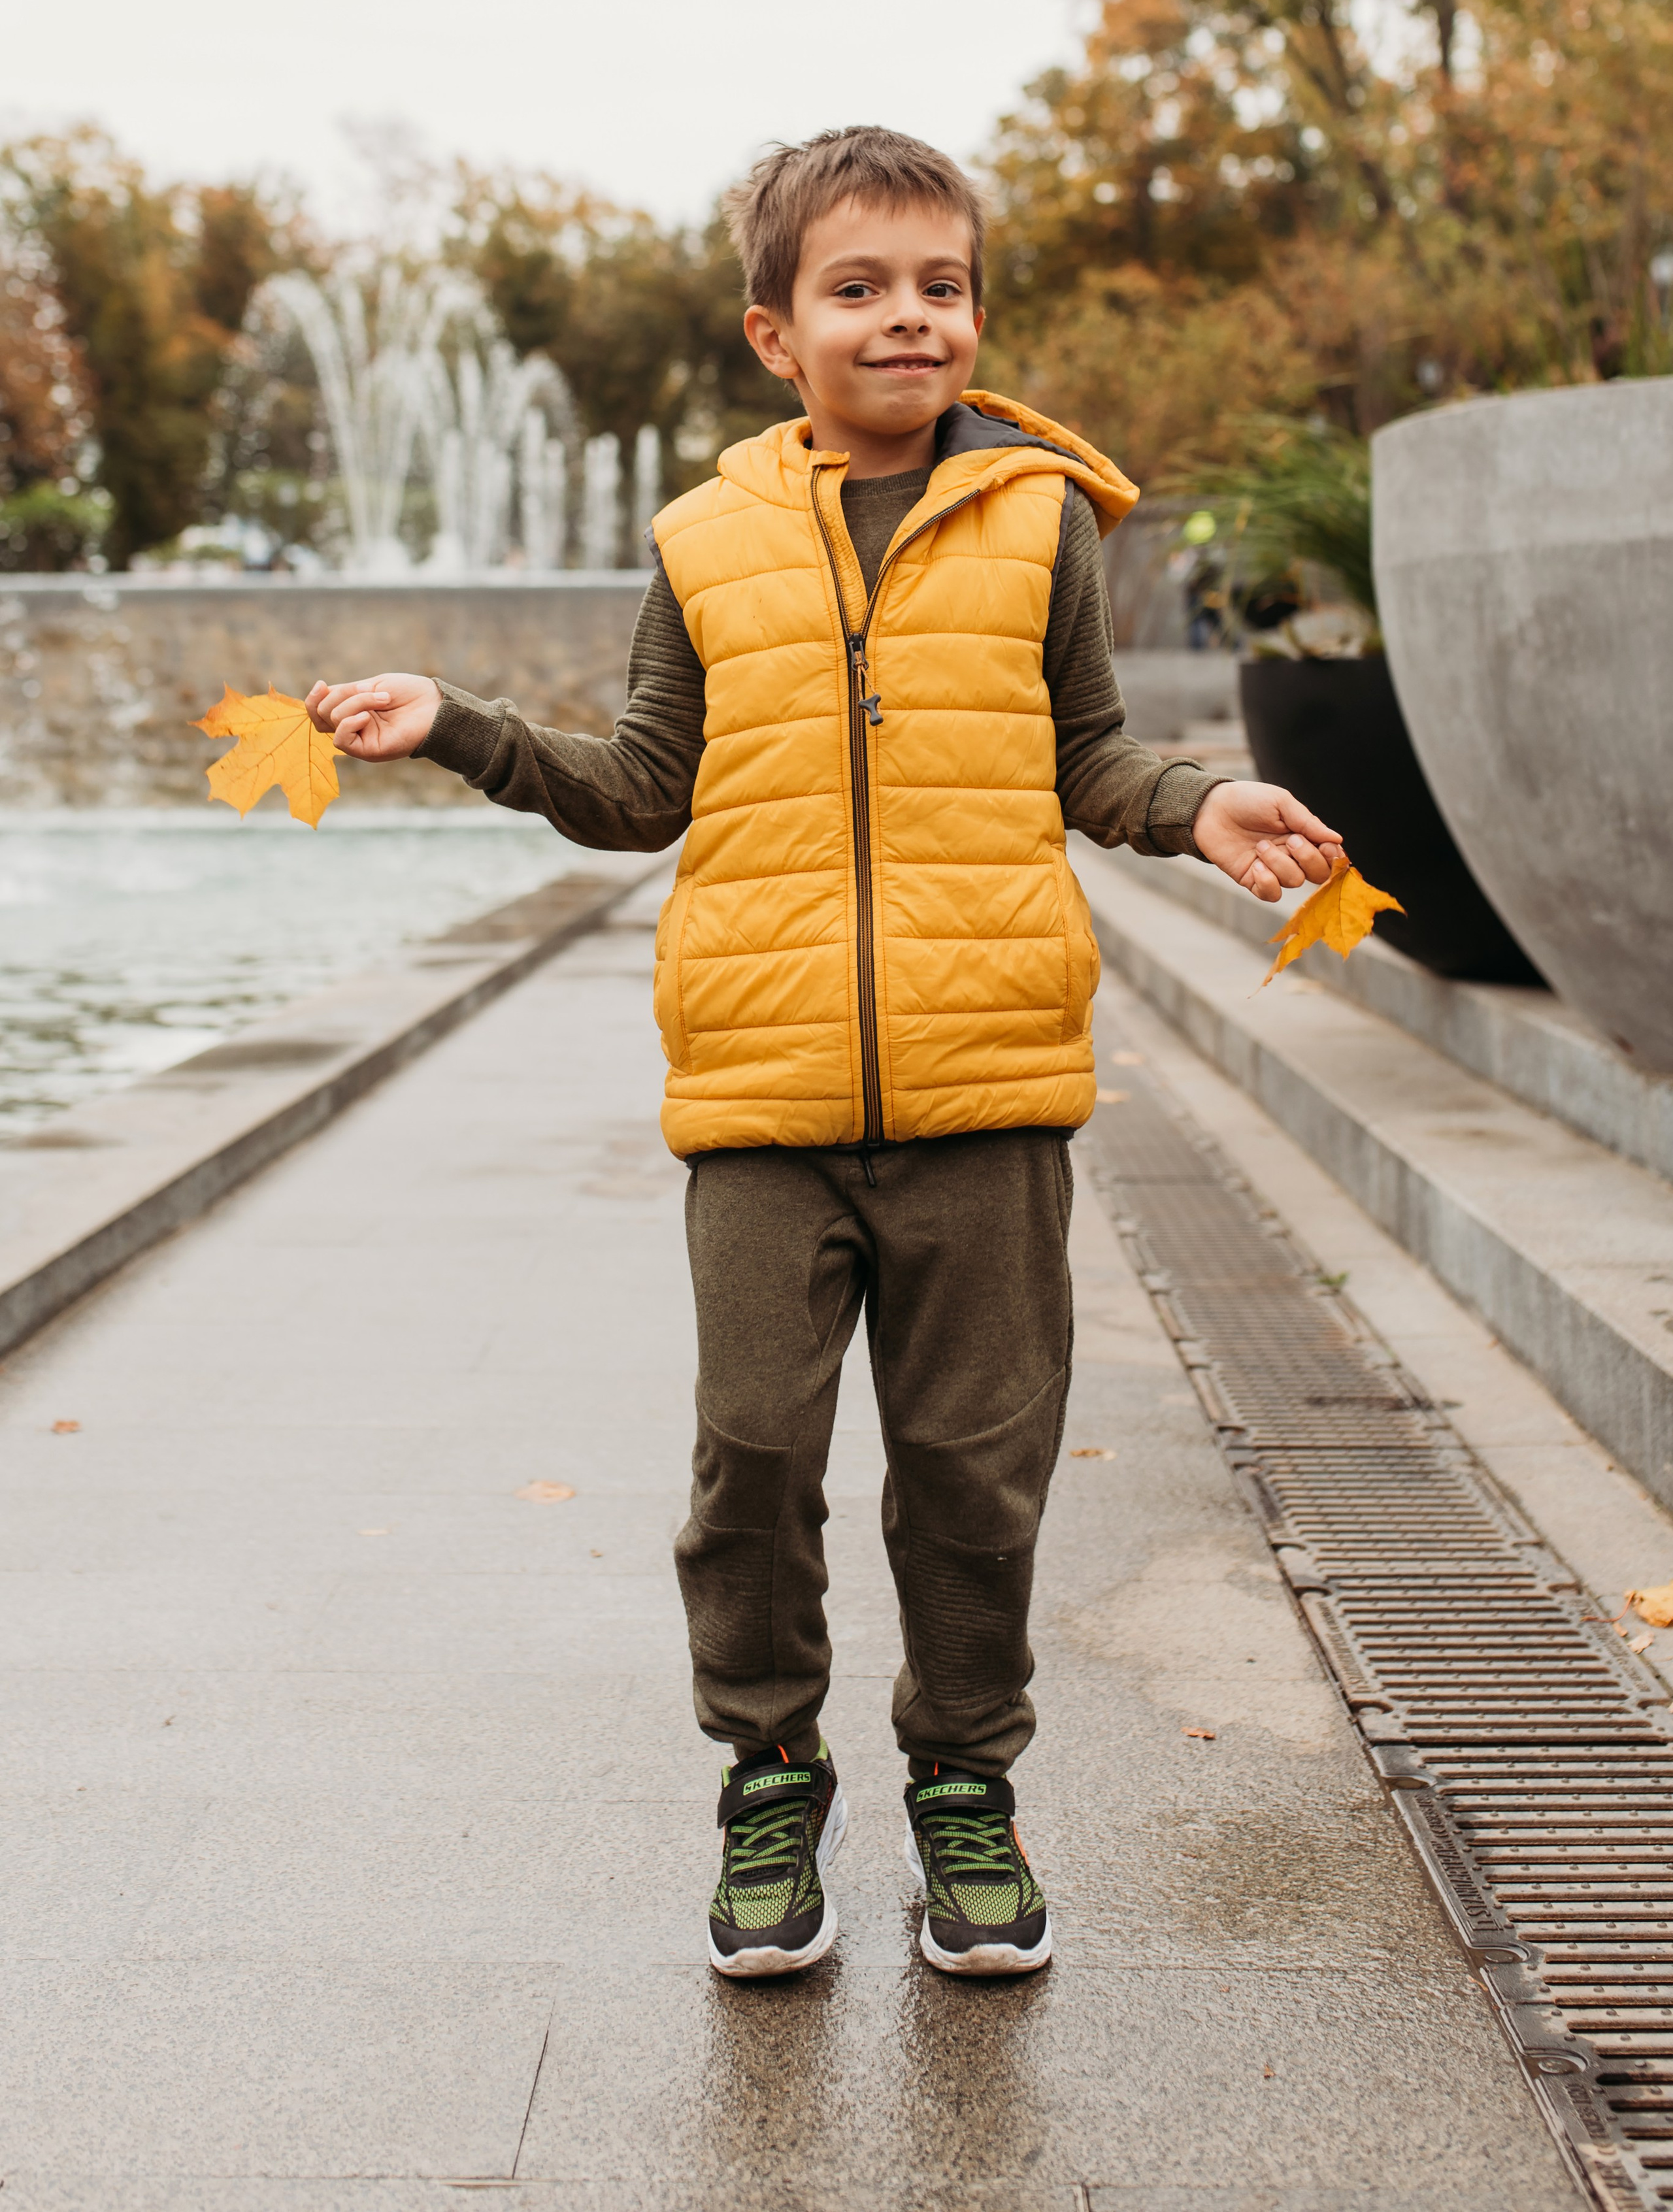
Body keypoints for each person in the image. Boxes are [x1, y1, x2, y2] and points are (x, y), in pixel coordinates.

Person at [306, 127, 1342, 1985]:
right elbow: (639, 788)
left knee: (974, 1465)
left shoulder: (1040, 522)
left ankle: (967, 1786)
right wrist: (459, 727)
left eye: (941, 284)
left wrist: (1202, 804)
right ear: (776, 334)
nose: (911, 318)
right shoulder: (702, 540)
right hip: (764, 1099)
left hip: (989, 1091)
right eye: (860, 288)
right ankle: (771, 1773)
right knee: (751, 1456)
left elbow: (1090, 755)